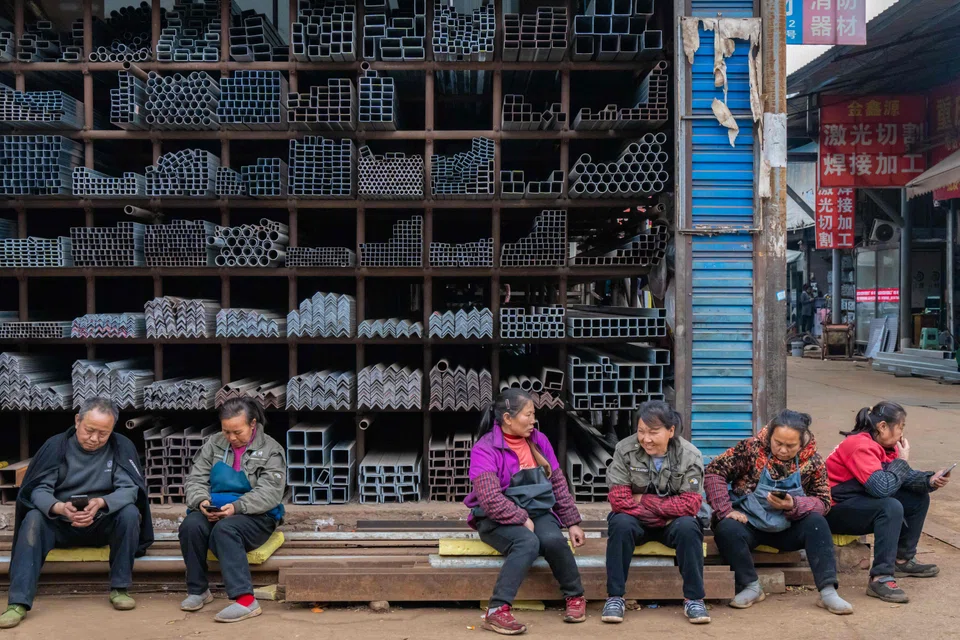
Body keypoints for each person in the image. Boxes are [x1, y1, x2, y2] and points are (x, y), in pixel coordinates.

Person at [0, 397, 154, 629]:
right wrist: (60, 508)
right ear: (77, 420)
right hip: (60, 523)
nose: (95, 439)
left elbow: (130, 489)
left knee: (129, 513)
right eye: (89, 430)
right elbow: (38, 489)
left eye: (103, 434)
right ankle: (18, 602)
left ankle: (120, 588)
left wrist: (102, 502)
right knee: (33, 519)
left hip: (101, 521)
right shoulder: (56, 447)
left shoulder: (120, 447)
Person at [705, 409, 853, 615]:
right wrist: (725, 509)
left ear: (801, 443)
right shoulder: (750, 449)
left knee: (817, 522)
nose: (783, 450)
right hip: (750, 525)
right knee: (726, 528)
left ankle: (828, 592)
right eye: (778, 443)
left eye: (790, 446)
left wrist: (794, 505)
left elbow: (823, 501)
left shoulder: (813, 462)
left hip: (788, 528)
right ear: (770, 436)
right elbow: (714, 471)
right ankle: (751, 586)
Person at [464, 389, 586, 635]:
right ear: (508, 418)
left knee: (553, 540)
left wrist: (572, 521)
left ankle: (575, 597)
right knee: (527, 542)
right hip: (495, 518)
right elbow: (489, 499)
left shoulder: (539, 441)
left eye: (533, 415)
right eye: (527, 415)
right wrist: (520, 518)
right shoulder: (485, 449)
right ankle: (497, 610)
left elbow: (557, 483)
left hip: (537, 510)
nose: (533, 421)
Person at [825, 401, 950, 603]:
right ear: (883, 426)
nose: (901, 434)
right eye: (900, 427)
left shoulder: (881, 446)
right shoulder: (859, 446)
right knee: (890, 506)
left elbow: (904, 477)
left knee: (917, 498)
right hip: (835, 509)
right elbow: (882, 488)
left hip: (857, 502)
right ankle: (880, 578)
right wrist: (902, 461)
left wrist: (930, 480)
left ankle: (902, 560)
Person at [602, 400, 711, 625]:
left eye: (653, 432)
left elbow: (690, 505)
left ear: (671, 431)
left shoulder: (690, 455)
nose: (646, 439)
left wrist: (644, 499)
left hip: (673, 525)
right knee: (620, 523)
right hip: (638, 523)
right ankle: (615, 597)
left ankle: (694, 599)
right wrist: (665, 510)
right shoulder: (625, 449)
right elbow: (618, 500)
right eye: (641, 431)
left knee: (688, 526)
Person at [179, 398, 286, 623]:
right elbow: (196, 479)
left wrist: (236, 507)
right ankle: (198, 591)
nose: (231, 438)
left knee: (225, 529)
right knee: (191, 525)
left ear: (253, 424)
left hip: (256, 515)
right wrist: (201, 503)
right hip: (216, 508)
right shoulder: (213, 444)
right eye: (226, 431)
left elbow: (270, 493)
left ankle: (246, 600)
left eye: (237, 432)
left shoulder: (271, 450)